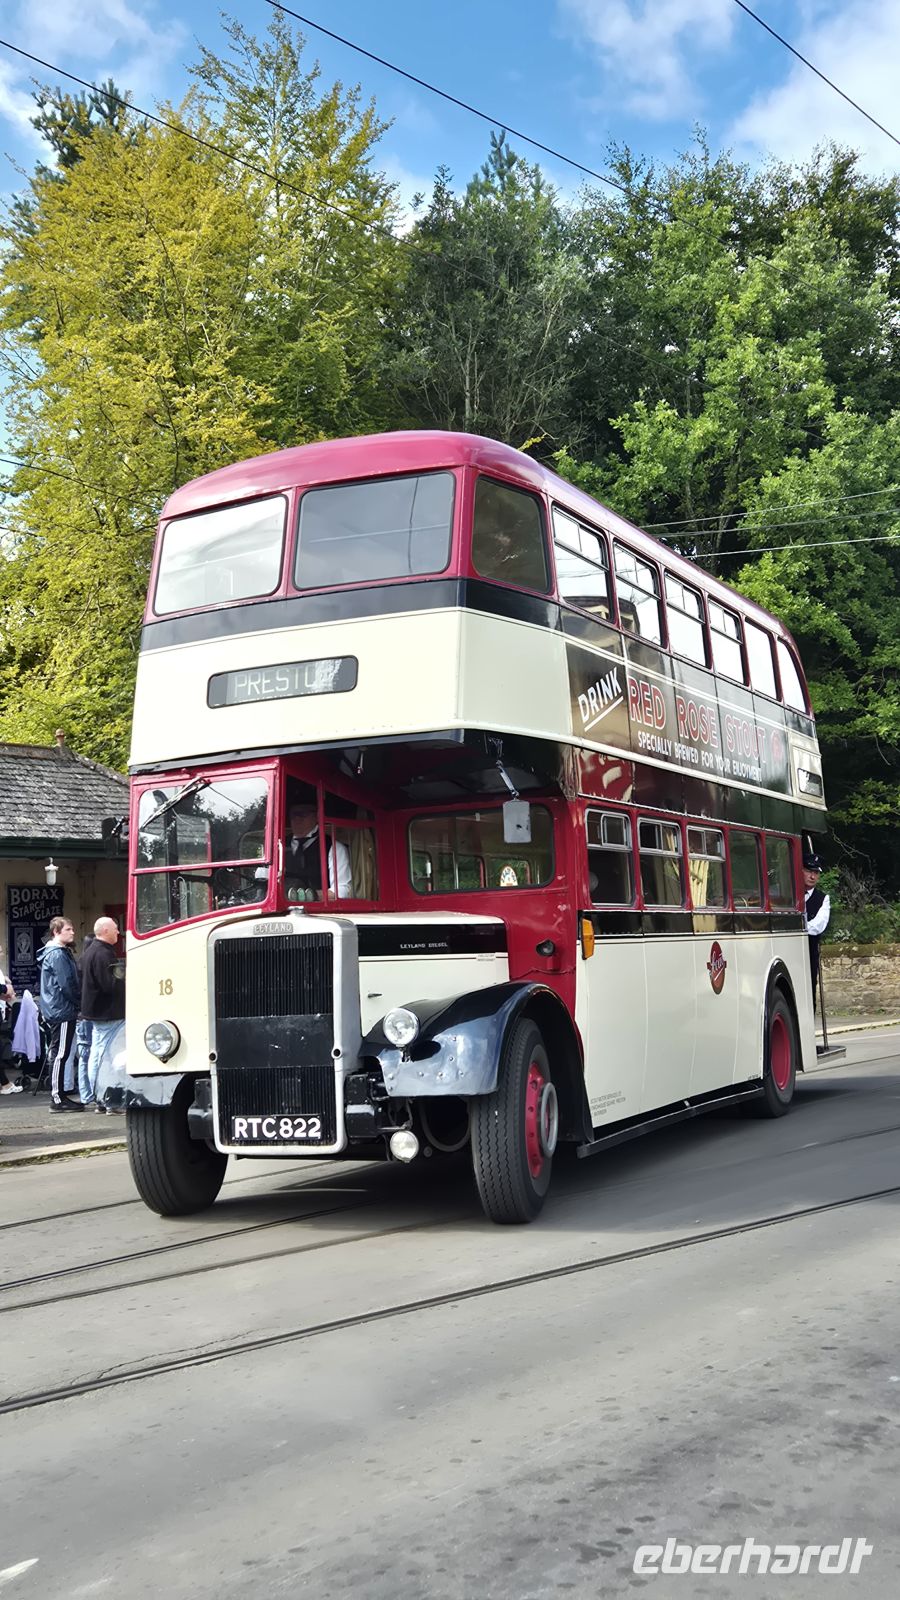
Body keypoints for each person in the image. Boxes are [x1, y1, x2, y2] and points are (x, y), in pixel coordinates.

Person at [81, 917, 126, 1113]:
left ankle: (100, 1098)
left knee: (97, 1053)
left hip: (96, 1012)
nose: (119, 933)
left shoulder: (90, 951)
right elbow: (110, 985)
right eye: (116, 929)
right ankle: (109, 1099)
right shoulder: (104, 954)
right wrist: (124, 979)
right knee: (109, 1056)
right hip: (108, 1013)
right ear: (105, 930)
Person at [38, 916, 83, 1110]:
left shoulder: (58, 952)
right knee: (60, 1054)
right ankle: (57, 1097)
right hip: (61, 1009)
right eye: (68, 929)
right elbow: (67, 983)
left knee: (60, 1053)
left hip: (58, 1008)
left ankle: (59, 1096)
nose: (72, 932)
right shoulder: (57, 954)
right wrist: (79, 1002)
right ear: (56, 932)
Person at [284, 799, 352, 901]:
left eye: (303, 814)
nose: (297, 819)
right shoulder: (278, 846)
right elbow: (262, 878)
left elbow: (342, 890)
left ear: (316, 816)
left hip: (319, 913)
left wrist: (309, 896)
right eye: (293, 814)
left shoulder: (334, 847)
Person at [803, 852, 830, 1008]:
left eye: (816, 873)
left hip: (809, 954)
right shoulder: (789, 894)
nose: (812, 876)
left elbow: (817, 926)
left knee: (809, 992)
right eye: (808, 871)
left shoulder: (823, 898)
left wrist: (793, 925)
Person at [75, 934, 95, 1109]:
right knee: (94, 1054)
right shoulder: (92, 964)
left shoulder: (78, 963)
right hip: (90, 1015)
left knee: (84, 1056)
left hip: (80, 1015)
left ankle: (85, 1093)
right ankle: (94, 1093)